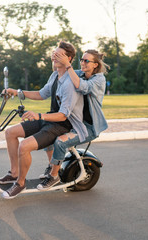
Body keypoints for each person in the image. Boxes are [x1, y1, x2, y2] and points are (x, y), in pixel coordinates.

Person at [0, 41, 88, 199]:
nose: (55, 56)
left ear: (69, 59)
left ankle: (20, 183)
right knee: (10, 133)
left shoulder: (70, 83)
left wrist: (38, 116)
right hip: (50, 119)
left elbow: (63, 115)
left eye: (59, 54)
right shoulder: (55, 75)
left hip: (62, 125)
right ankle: (14, 173)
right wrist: (16, 92)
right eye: (54, 53)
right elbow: (41, 94)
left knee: (24, 146)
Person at [37, 49, 109, 190]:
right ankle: (52, 168)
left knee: (60, 142)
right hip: (76, 123)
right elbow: (60, 71)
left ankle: (53, 177)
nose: (82, 62)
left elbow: (82, 86)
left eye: (86, 61)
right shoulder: (79, 73)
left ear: (95, 65)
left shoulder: (99, 79)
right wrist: (56, 59)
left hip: (88, 127)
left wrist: (68, 66)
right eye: (81, 60)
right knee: (48, 132)